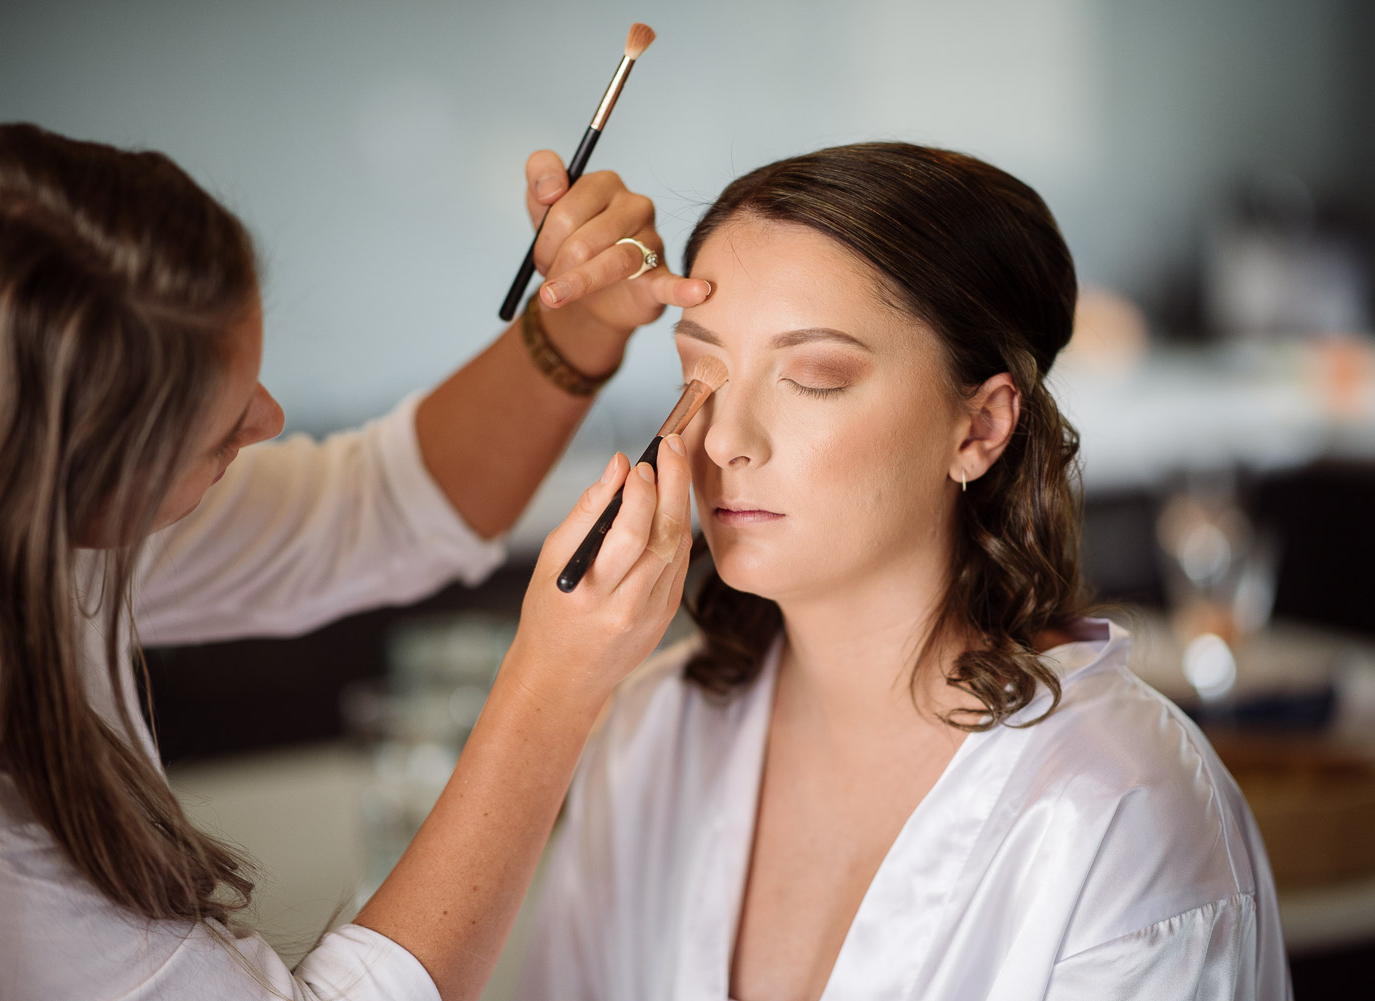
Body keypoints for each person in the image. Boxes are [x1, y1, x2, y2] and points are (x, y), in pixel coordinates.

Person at [0, 123, 703, 1001]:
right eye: (218, 429)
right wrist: (552, 685)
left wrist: (577, 323)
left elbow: (375, 506)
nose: (268, 421)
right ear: (55, 478)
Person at [517, 142, 1291, 1000]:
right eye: (700, 371)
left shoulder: (1118, 814)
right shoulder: (649, 736)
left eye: (812, 377)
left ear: (981, 427)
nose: (726, 439)